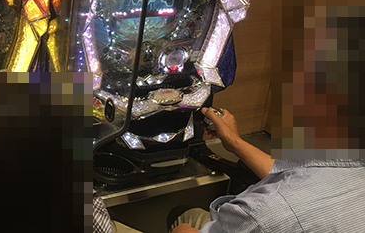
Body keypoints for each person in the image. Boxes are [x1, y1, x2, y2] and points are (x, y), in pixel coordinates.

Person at [93, 105, 365, 233]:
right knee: (184, 212)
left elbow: (282, 206)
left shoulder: (262, 214)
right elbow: (298, 177)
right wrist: (234, 142)